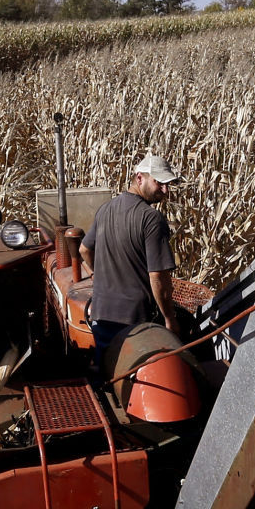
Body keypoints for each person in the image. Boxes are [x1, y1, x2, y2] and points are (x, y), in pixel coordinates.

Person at [79, 153, 181, 366]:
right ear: (139, 178)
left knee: (106, 374)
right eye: (159, 183)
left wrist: (96, 274)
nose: (165, 191)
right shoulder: (151, 219)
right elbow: (158, 279)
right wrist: (170, 319)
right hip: (136, 321)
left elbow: (83, 250)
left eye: (167, 185)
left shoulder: (105, 209)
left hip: (102, 315)